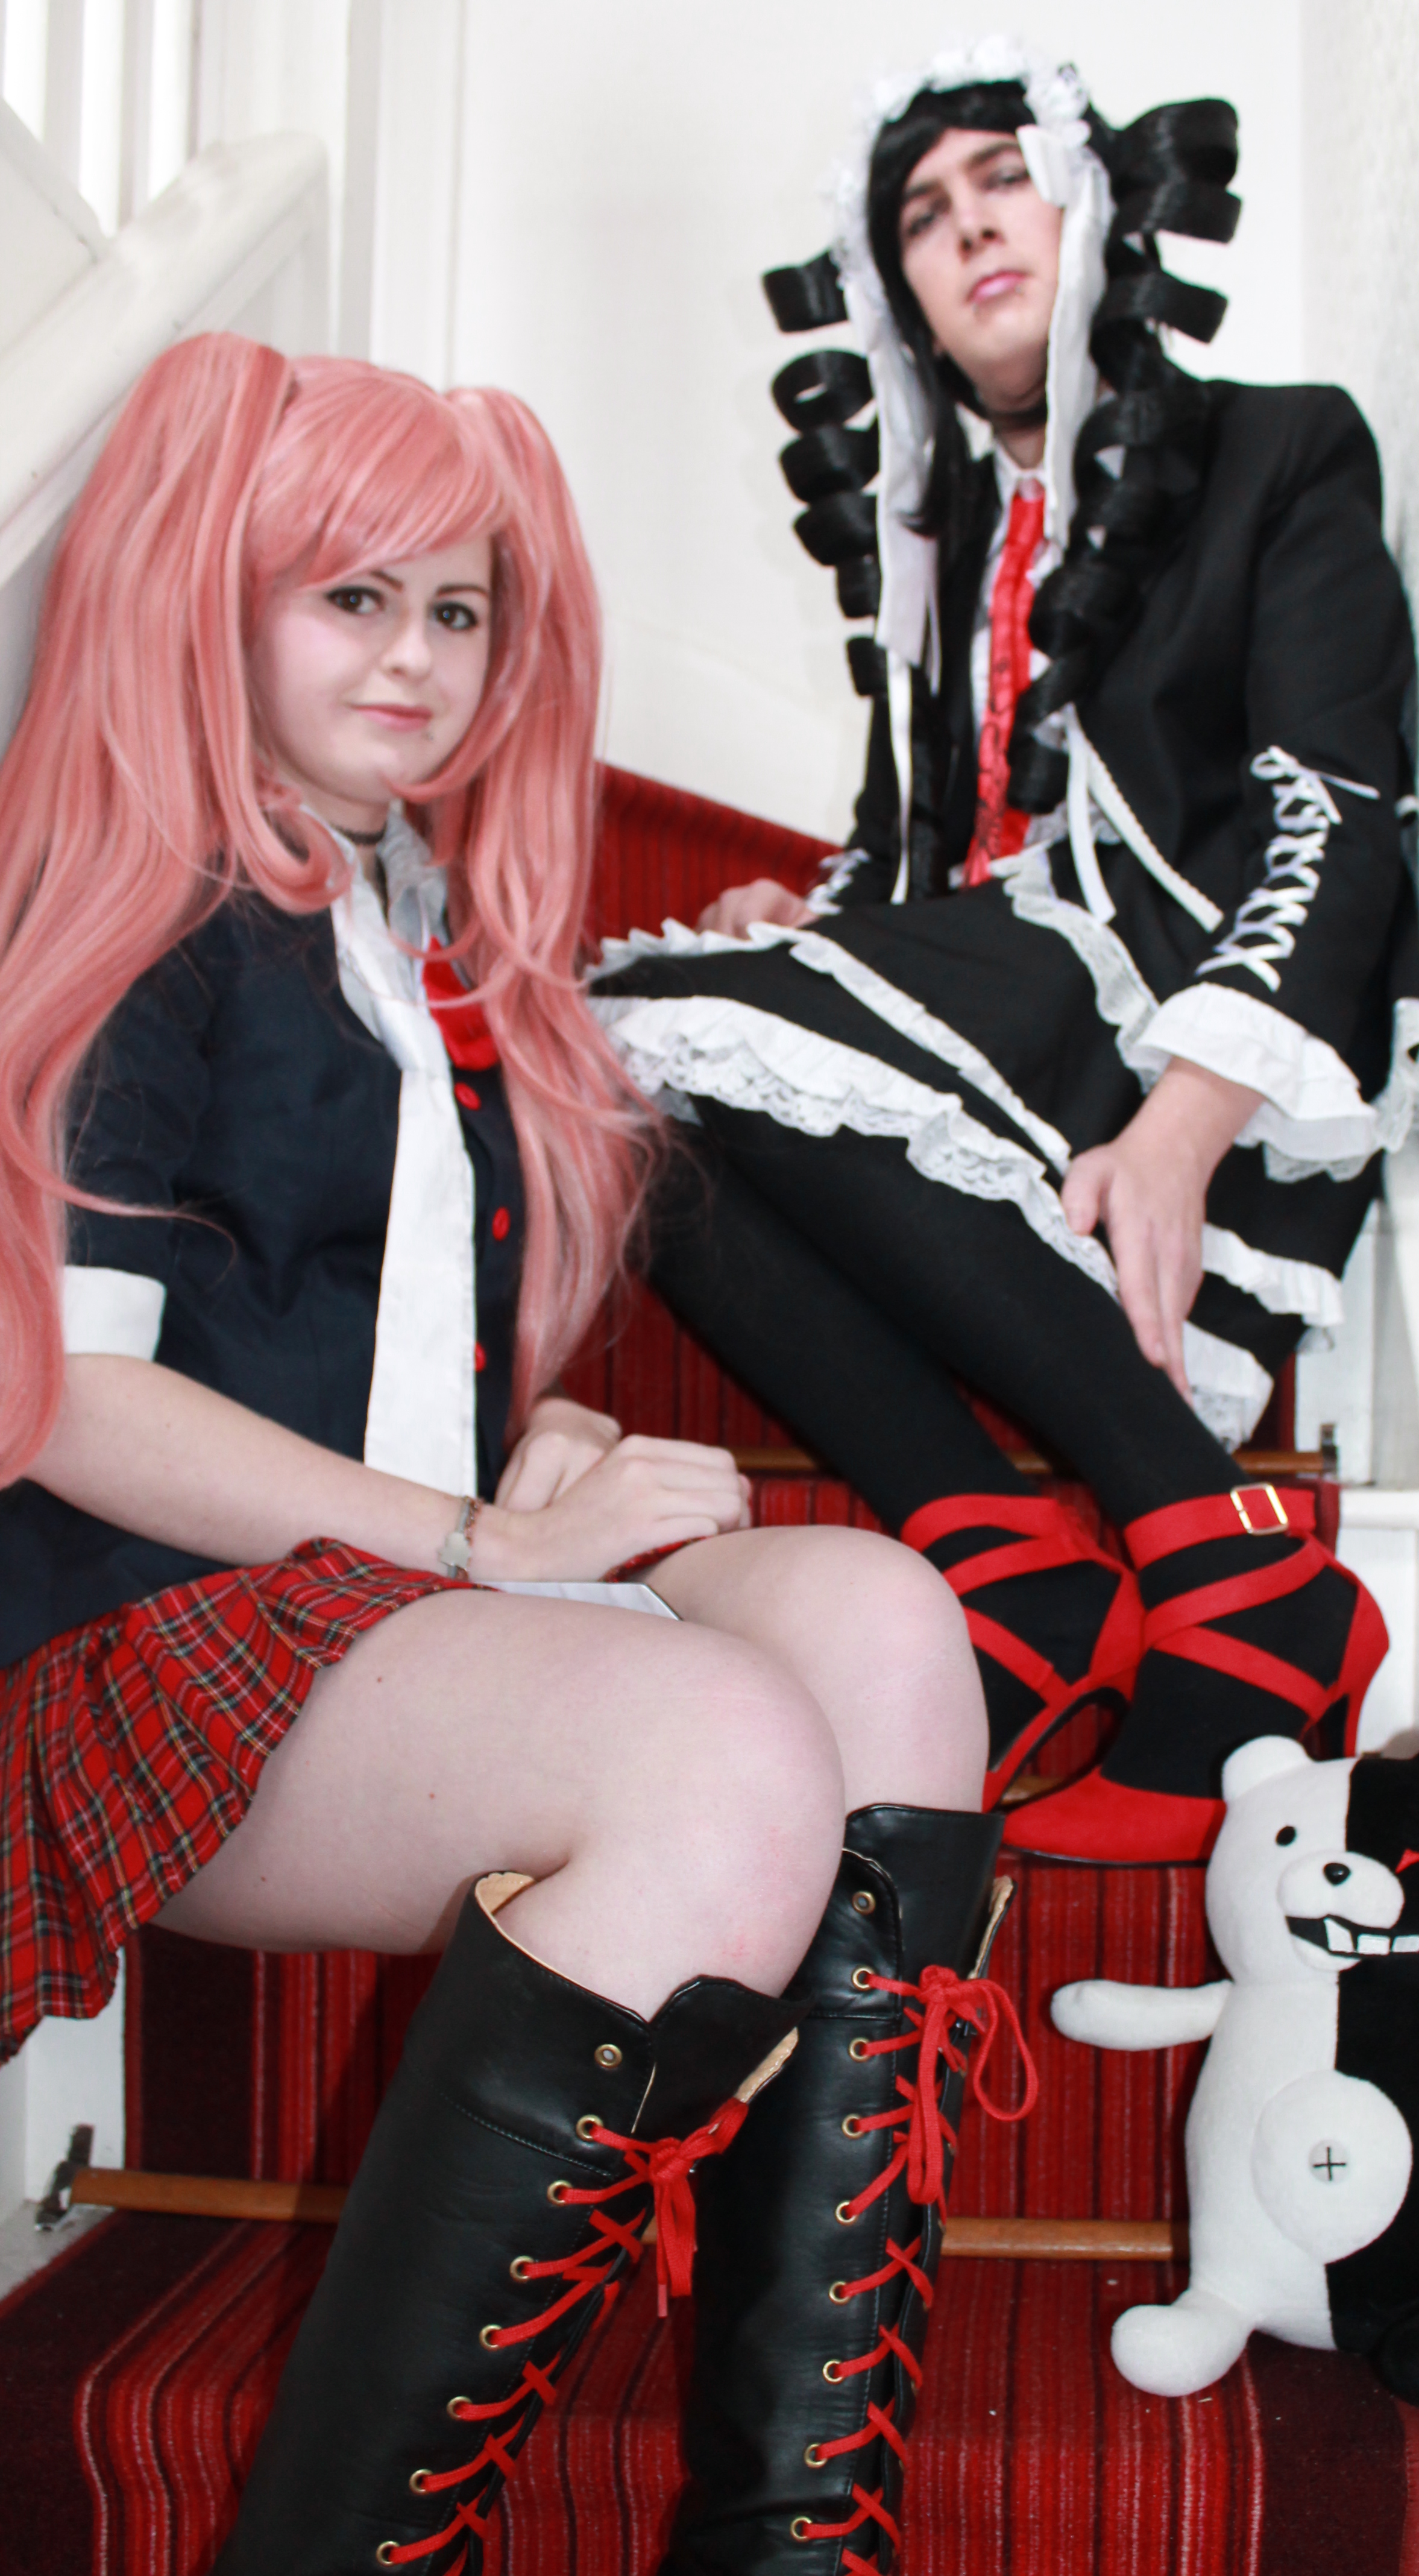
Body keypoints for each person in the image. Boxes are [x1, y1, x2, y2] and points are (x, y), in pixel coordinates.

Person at [0, 335, 1033, 2575]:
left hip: (384, 1594)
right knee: (723, 1758)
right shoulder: (153, 909)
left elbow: (374, 1347)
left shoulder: (421, 934)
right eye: (350, 597)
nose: (416, 656)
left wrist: (521, 1442)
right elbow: (70, 1401)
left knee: (884, 1621)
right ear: (213, 593)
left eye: (455, 608)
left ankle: (793, 2535)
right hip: (159, 1637)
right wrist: (481, 1529)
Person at [592, 38, 1419, 1870]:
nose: (970, 230)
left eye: (1006, 184)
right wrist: (809, 933)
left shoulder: (1280, 448)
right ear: (894, 287)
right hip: (1007, 993)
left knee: (654, 1031)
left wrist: (1193, 1120)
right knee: (602, 1080)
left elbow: (1333, 813)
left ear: (1098, 211)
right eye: (923, 215)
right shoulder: (947, 537)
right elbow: (944, 837)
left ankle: (1220, 1562)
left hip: (1183, 1013)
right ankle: (998, 1558)